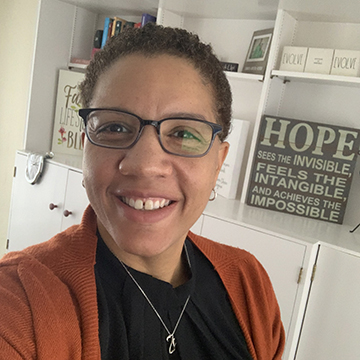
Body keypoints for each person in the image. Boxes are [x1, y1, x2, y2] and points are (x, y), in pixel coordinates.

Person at [0, 24, 284, 359]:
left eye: (183, 133)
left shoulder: (248, 281)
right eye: (115, 127)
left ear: (218, 162)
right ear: (85, 148)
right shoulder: (19, 302)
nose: (146, 164)